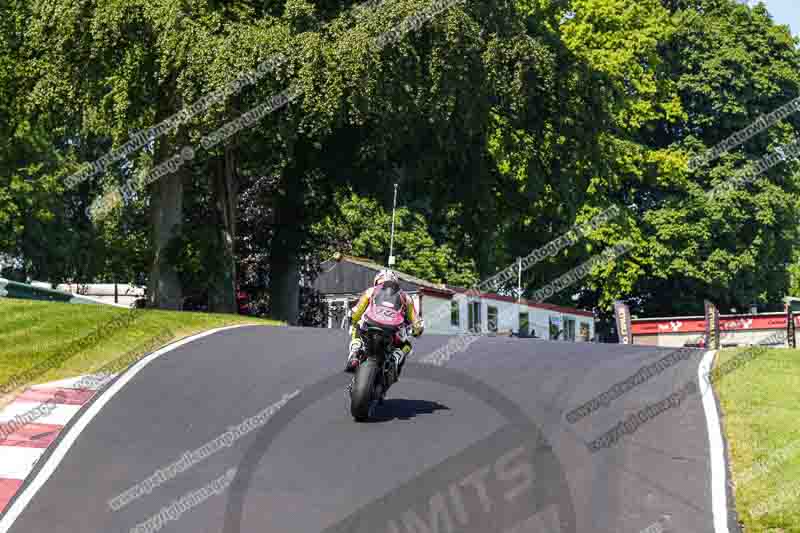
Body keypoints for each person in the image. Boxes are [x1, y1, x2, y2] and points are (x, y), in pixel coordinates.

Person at [345, 269, 424, 381]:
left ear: (377, 280)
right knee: (407, 345)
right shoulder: (406, 297)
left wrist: (353, 320)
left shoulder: (371, 290)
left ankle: (355, 352)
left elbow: (358, 310)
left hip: (371, 324)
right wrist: (417, 331)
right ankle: (396, 358)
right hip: (392, 330)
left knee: (356, 328)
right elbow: (416, 323)